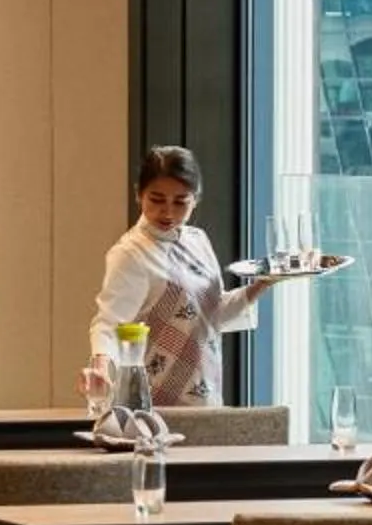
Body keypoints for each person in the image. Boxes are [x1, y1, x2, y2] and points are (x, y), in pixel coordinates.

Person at [88, 144, 267, 408]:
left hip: (206, 390)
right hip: (154, 396)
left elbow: (210, 314)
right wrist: (101, 367)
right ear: (139, 194)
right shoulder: (130, 253)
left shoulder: (198, 240)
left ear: (195, 198)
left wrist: (266, 282)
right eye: (157, 200)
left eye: (181, 202)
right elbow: (109, 323)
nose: (168, 212)